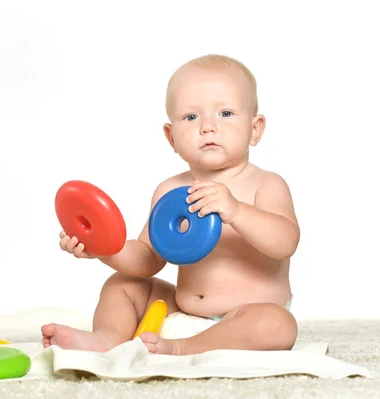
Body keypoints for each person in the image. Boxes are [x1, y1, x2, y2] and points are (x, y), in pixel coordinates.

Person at [42, 54, 300, 356]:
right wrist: (102, 249)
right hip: (182, 308)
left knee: (277, 324)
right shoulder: (171, 190)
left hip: (243, 317)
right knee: (122, 284)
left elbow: (286, 242)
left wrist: (238, 211)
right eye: (191, 117)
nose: (208, 127)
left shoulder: (266, 184)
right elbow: (148, 258)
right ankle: (106, 339)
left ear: (255, 129)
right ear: (171, 137)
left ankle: (180, 348)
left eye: (226, 113)